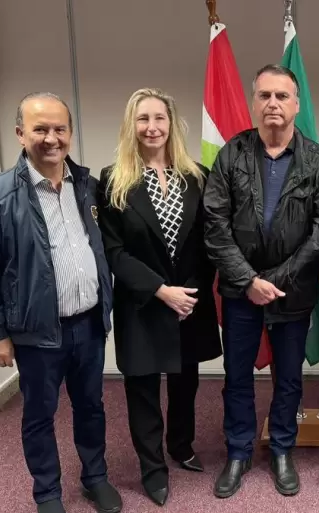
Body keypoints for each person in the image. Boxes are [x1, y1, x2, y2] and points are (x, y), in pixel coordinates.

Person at [0, 93, 122, 513]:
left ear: (70, 133)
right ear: (20, 134)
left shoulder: (88, 186)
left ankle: (95, 478)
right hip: (36, 332)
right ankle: (47, 493)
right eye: (40, 129)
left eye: (60, 129)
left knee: (91, 406)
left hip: (88, 324)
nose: (51, 138)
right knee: (40, 415)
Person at [202, 64, 319, 498]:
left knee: (289, 378)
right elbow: (214, 226)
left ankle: (282, 448)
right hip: (240, 294)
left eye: (282, 96)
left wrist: (275, 279)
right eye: (265, 96)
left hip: (293, 291)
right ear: (254, 102)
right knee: (237, 375)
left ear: (296, 105)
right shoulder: (231, 153)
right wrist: (248, 281)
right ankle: (239, 451)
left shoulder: (318, 159)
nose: (273, 104)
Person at [96, 88, 222, 506]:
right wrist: (160, 291)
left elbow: (208, 243)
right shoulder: (113, 180)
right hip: (144, 303)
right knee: (143, 390)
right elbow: (114, 251)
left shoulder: (198, 176)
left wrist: (190, 295)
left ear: (172, 125)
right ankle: (153, 469)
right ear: (131, 126)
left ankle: (181, 446)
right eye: (143, 119)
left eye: (159, 118)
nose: (152, 127)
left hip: (189, 302)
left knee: (186, 383)